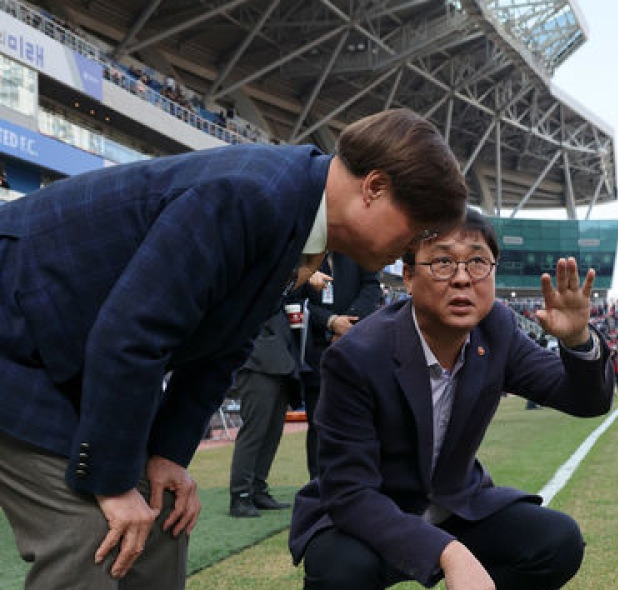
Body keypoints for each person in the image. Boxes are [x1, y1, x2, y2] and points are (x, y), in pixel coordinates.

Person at [0, 108, 466, 590]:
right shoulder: (253, 194)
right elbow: (133, 334)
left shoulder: (296, 209)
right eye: (417, 229)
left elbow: (224, 344)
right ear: (374, 187)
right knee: (91, 533)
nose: (412, 249)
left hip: (59, 353)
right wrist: (114, 483)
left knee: (163, 515)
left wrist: (166, 454)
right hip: (14, 338)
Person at [289, 210, 613, 590]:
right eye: (443, 262)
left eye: (477, 262)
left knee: (557, 542)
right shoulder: (357, 355)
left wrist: (577, 342)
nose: (462, 278)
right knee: (341, 571)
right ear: (408, 278)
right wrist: (450, 552)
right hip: (372, 511)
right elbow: (349, 493)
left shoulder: (497, 330)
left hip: (455, 503)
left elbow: (585, 401)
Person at [299, 251, 383, 479]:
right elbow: (296, 301)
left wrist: (349, 322)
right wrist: (332, 322)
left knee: (359, 417)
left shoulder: (358, 252)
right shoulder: (304, 258)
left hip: (357, 345)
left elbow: (371, 287)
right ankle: (317, 483)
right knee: (318, 421)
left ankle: (355, 479)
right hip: (317, 350)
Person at [228, 307, 302, 518]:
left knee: (272, 432)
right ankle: (240, 495)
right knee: (255, 432)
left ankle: (257, 489)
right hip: (256, 360)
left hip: (280, 359)